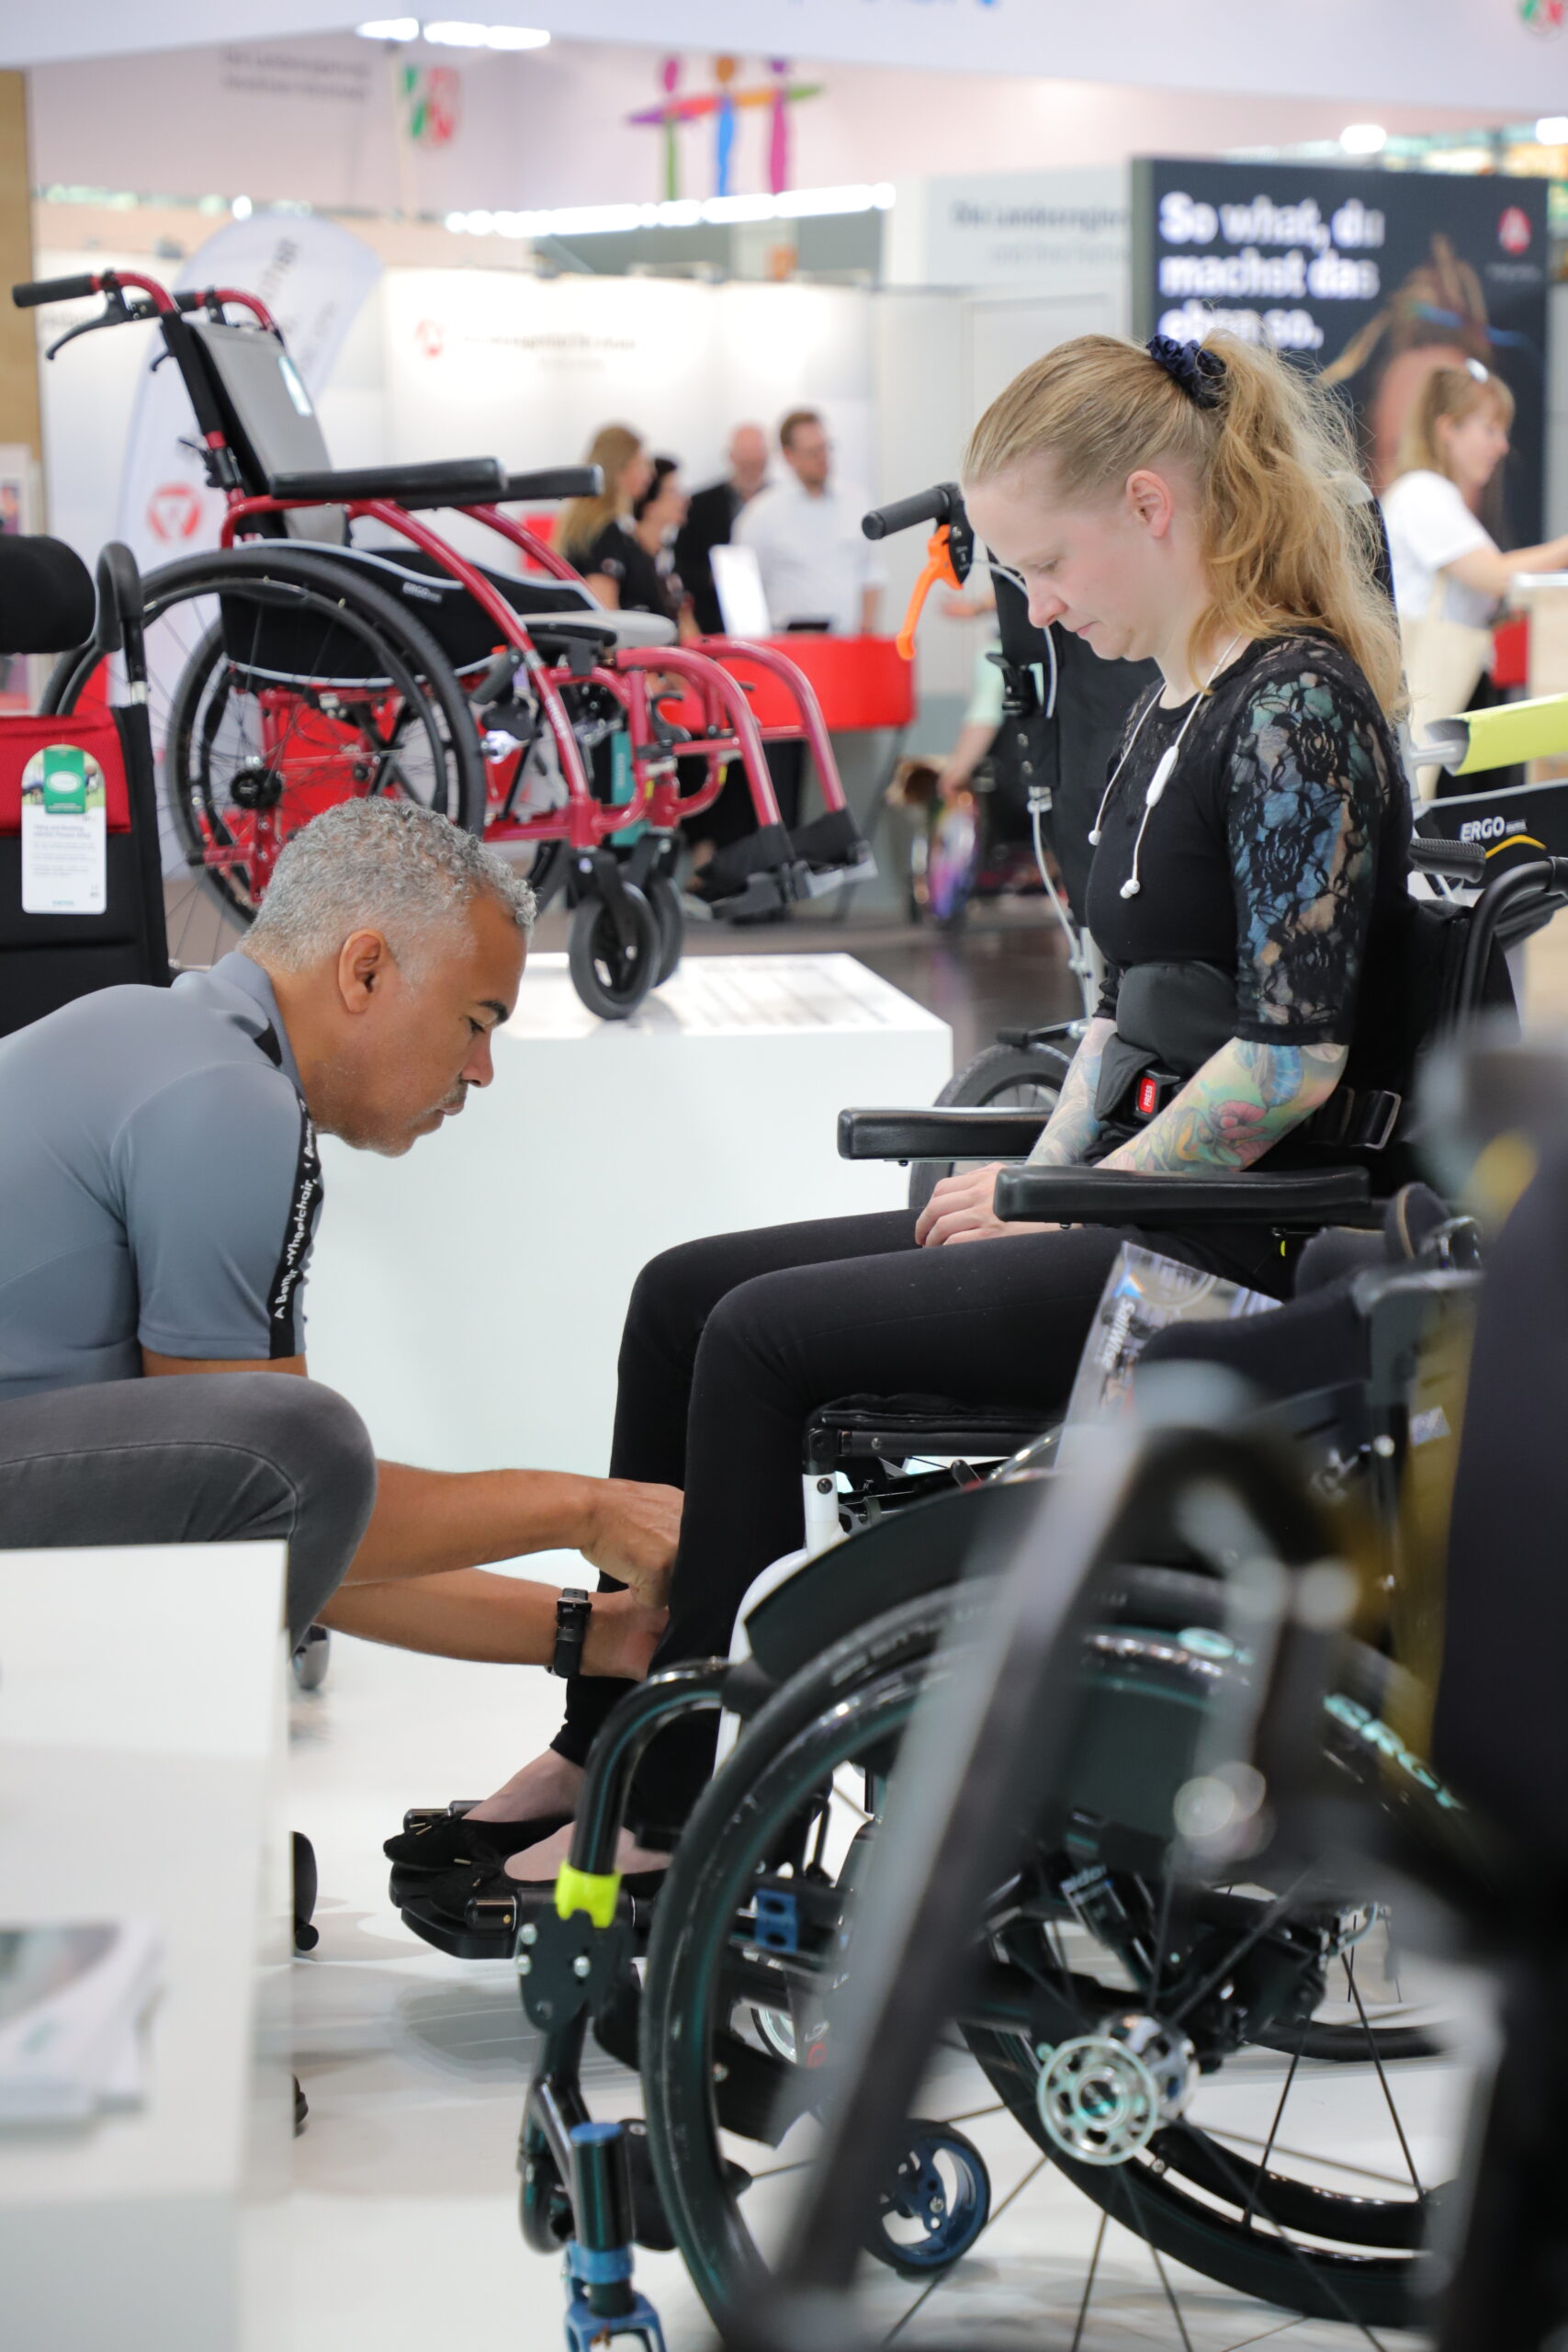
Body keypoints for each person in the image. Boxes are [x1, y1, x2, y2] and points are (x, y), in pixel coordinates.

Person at [408, 329, 1418, 1933]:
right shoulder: (1176, 698)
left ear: (1149, 505)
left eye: (1044, 563)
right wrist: (1039, 1169)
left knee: (755, 1341)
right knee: (678, 1293)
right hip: (1126, 1204)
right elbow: (1123, 1015)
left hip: (1226, 1246)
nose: (1038, 605)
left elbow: (1285, 1063)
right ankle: (611, 1729)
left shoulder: (1291, 705)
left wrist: (1061, 1192)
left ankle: (684, 1817)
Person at [0, 799, 678, 1690]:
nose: (481, 1071)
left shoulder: (162, 1035)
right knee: (302, 1435)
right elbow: (282, 1481)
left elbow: (259, 1516)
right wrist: (588, 1510)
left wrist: (591, 1634)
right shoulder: (232, 1103)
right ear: (365, 971)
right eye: (476, 1021)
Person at [1381, 363, 1568, 771]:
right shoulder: (1423, 493)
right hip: (1435, 696)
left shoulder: (1434, 496)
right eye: (1490, 430)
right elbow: (1496, 575)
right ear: (1448, 428)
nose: (1502, 447)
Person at [674, 422, 770, 636]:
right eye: (746, 462)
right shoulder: (700, 506)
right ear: (731, 458)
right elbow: (681, 566)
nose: (752, 469)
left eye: (757, 462)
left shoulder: (781, 503)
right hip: (713, 620)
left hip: (771, 616)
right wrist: (715, 576)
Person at [558, 424, 656, 610]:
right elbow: (605, 611)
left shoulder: (600, 528)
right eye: (641, 464)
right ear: (619, 468)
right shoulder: (606, 532)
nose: (650, 473)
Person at [629, 456, 698, 640]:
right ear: (649, 503)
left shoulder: (665, 561)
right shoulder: (629, 562)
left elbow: (689, 634)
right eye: (674, 492)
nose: (685, 500)